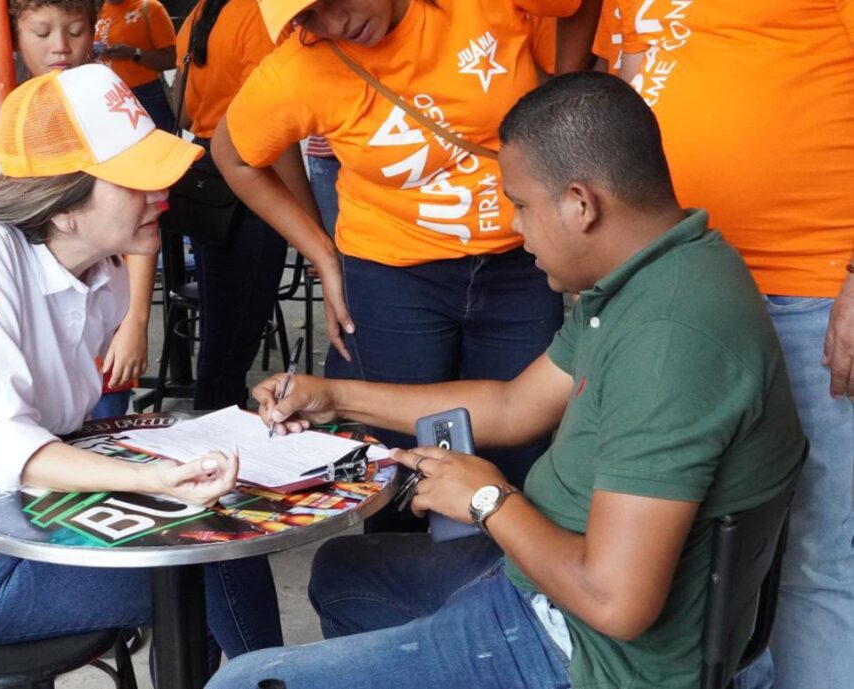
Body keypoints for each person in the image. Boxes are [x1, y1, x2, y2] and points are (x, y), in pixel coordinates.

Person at [206, 72, 806, 689]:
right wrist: (333, 394)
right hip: (550, 584)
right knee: (344, 571)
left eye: (520, 204)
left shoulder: (671, 341)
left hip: (584, 652)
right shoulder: (662, 270)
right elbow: (515, 405)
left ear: (581, 203)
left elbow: (615, 603)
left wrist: (489, 501)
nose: (516, 229)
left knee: (239, 683)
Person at [0, 64, 283, 662]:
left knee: (216, 544)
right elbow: (5, 446)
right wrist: (152, 478)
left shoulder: (105, 274)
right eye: (136, 181)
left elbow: (58, 430)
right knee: (213, 560)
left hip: (14, 519)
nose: (160, 195)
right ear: (63, 205)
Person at [212, 0, 602, 507]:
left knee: (519, 454)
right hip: (392, 277)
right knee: (398, 463)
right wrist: (322, 252)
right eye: (308, 18)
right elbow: (234, 155)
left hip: (519, 267)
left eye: (333, 2)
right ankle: (394, 577)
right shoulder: (298, 68)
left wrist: (559, 98)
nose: (335, 26)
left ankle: (509, 580)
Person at [614, 3, 854, 687]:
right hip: (677, 286)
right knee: (684, 541)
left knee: (817, 547)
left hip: (811, 289)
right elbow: (629, 84)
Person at [8, 0, 155, 419]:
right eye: (42, 33)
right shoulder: (3, 103)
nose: (60, 47)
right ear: (15, 34)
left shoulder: (111, 103)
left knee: (105, 429)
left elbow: (146, 222)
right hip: (33, 330)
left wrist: (136, 323)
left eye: (75, 32)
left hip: (104, 316)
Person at [174, 0, 317, 411]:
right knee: (234, 335)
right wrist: (310, 226)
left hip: (205, 182)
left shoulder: (201, 14)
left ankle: (212, 419)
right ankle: (217, 433)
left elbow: (183, 113)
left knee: (219, 327)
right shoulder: (256, 16)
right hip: (250, 179)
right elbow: (273, 139)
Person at [94, 0, 178, 133]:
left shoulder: (150, 8)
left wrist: (134, 53)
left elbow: (172, 59)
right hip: (109, 97)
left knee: (160, 147)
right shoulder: (96, 11)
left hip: (146, 94)